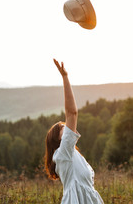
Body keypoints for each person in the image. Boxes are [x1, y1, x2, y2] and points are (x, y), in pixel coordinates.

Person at [44, 59, 104, 204]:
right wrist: (65, 77)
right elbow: (72, 113)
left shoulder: (71, 153)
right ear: (58, 139)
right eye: (63, 128)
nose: (68, 127)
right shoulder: (62, 153)